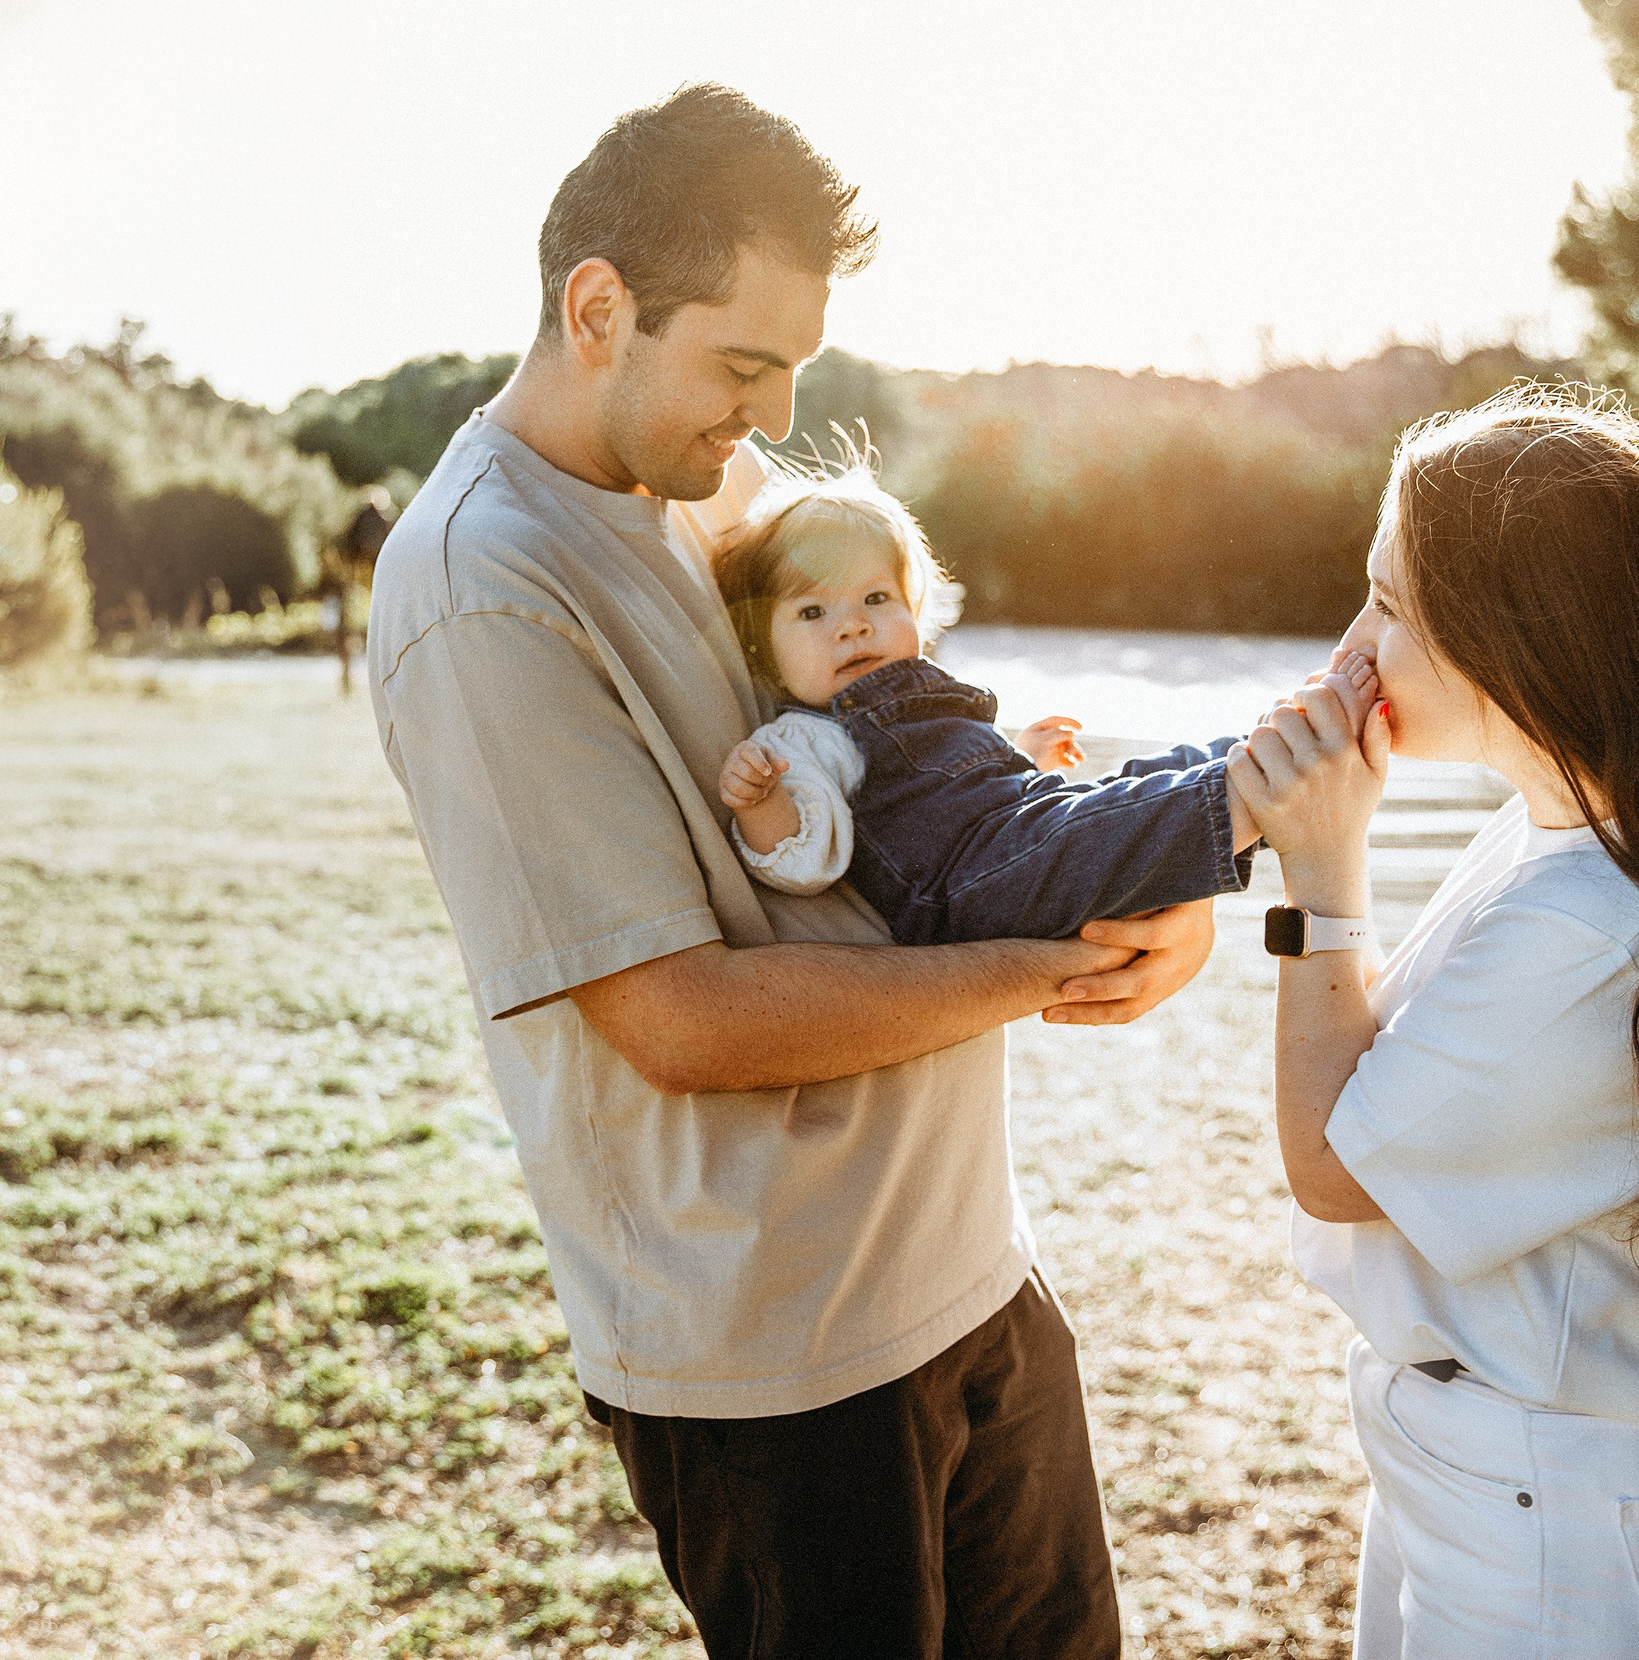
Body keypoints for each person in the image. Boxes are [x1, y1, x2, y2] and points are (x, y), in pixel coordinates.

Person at [367, 84, 1212, 1660]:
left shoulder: (711, 493)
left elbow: (916, 735)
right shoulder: (483, 589)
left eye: (788, 374)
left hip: (969, 1269)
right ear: (598, 308)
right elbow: (682, 1017)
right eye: (740, 365)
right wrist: (1053, 971)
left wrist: (1111, 881)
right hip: (783, 1360)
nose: (761, 416)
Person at [1231, 390, 1639, 1659]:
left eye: (1390, 606)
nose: (1348, 650)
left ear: (1514, 641)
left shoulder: (1596, 917)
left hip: (1561, 1520)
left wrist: (1323, 877)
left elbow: (1332, 1169)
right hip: (1494, 1472)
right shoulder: (1572, 832)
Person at [709, 462, 1376, 943]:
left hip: (1009, 828)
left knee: (1123, 791)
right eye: (813, 610)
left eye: (875, 599)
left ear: (912, 609)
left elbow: (963, 785)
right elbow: (803, 859)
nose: (851, 625)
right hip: (957, 889)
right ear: (766, 652)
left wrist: (1019, 758)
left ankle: (1261, 747)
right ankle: (1260, 784)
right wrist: (764, 804)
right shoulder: (805, 737)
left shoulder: (919, 691)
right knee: (1090, 834)